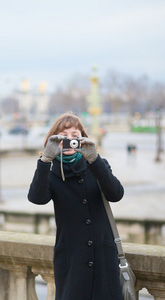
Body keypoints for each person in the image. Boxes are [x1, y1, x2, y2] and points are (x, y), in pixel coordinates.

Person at [28, 112, 124, 300]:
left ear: (82, 139)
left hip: (103, 258)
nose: (70, 141)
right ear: (53, 141)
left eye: (75, 136)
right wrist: (44, 161)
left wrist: (94, 160)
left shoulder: (98, 165)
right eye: (63, 137)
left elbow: (116, 194)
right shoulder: (51, 172)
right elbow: (37, 198)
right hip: (71, 260)